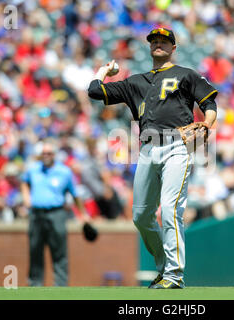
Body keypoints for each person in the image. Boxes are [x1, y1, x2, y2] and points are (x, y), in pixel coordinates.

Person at [88, 27, 218, 289]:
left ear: (173, 48)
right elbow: (94, 91)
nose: (158, 44)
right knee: (141, 216)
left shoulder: (186, 74)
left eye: (164, 41)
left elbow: (209, 105)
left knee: (170, 210)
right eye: (154, 41)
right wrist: (104, 71)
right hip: (147, 149)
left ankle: (174, 275)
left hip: (176, 146)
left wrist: (206, 125)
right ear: (149, 47)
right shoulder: (136, 81)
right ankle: (163, 267)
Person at [20, 141, 89, 286]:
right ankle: (35, 284)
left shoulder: (64, 172)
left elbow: (75, 195)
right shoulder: (34, 169)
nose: (46, 156)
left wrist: (83, 214)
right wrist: (26, 198)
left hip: (56, 213)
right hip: (36, 214)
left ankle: (60, 285)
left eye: (49, 153)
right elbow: (24, 182)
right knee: (35, 249)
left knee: (59, 250)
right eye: (44, 153)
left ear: (54, 155)